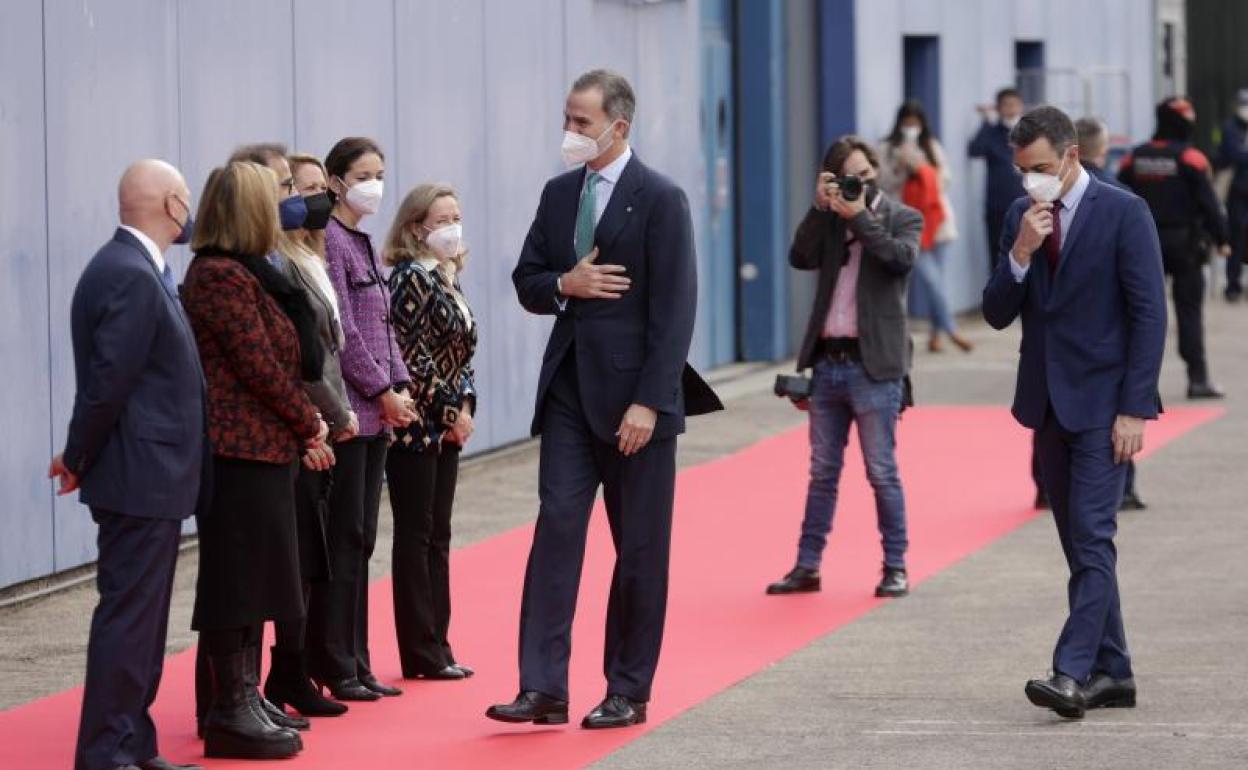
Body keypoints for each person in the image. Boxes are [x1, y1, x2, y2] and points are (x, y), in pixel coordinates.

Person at [487, 69, 722, 730]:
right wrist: (568, 282)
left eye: (582, 122)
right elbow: (528, 279)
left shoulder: (660, 198)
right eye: (568, 118)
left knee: (640, 549)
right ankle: (542, 686)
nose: (570, 132)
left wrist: (650, 401)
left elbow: (676, 310)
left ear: (618, 126)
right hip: (568, 388)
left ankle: (627, 687)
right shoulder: (560, 194)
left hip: (635, 403)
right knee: (556, 529)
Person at [983, 106, 1166, 719]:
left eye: (1038, 168)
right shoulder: (1019, 217)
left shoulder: (1124, 212)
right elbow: (995, 310)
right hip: (1047, 404)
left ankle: (1071, 672)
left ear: (1070, 157)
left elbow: (1148, 315)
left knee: (1092, 535)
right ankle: (1115, 672)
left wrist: (1136, 407)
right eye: (1020, 170)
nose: (1028, 181)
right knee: (1080, 544)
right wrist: (1021, 254)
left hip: (1104, 406)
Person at [51, 159, 205, 770]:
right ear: (171, 205)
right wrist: (79, 456)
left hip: (150, 476)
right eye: (186, 199)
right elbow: (106, 384)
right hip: (139, 476)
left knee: (142, 623)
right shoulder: (129, 274)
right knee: (129, 620)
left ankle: (132, 745)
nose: (190, 211)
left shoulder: (138, 268)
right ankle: (107, 751)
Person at [181, 161, 332, 759]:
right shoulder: (218, 275)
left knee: (258, 581)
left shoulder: (250, 273)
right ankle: (229, 709)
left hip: (264, 447)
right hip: (237, 449)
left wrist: (299, 422)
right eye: (272, 201)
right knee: (236, 583)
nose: (283, 210)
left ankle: (243, 697)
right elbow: (259, 367)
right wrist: (310, 420)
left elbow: (285, 358)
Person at [765, 136, 922, 601]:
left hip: (875, 367)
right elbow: (799, 257)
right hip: (828, 364)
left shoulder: (900, 216)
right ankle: (807, 566)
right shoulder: (829, 221)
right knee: (822, 472)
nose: (856, 184)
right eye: (844, 178)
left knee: (881, 471)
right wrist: (819, 209)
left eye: (862, 175)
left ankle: (895, 566)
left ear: (874, 171)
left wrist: (860, 216)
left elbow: (899, 260)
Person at [304, 137, 415, 702]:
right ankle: (337, 661)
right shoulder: (332, 242)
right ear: (335, 180)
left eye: (380, 172)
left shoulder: (365, 242)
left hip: (381, 415)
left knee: (365, 536)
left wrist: (398, 389)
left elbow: (386, 326)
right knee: (345, 537)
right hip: (352, 412)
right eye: (364, 174)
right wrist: (378, 388)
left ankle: (360, 658)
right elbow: (343, 332)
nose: (374, 184)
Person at [383, 184, 478, 681]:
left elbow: (462, 355)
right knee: (416, 535)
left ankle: (440, 643)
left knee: (439, 536)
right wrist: (448, 411)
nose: (451, 226)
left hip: (447, 427)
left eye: (456, 216)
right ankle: (419, 650)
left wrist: (465, 406)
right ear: (416, 226)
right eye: (441, 218)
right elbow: (409, 355)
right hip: (416, 427)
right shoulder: (409, 279)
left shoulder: (447, 277)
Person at [1119, 99, 1231, 400]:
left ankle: (1136, 386)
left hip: (1141, 244)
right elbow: (1209, 203)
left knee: (1140, 314)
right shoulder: (1191, 158)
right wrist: (1222, 239)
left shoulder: (1134, 158)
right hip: (1185, 245)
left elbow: (1116, 197)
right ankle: (1197, 380)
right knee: (1189, 313)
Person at [1074, 118, 1146, 511]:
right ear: (1101, 150)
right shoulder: (1123, 200)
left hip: (1062, 347)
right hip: (1108, 338)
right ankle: (1127, 487)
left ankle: (1045, 488)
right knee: (1111, 424)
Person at [878, 100, 971, 353]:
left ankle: (936, 334)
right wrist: (901, 168)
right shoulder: (887, 147)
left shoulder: (931, 145)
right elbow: (883, 183)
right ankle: (951, 328)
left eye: (915, 122)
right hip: (907, 221)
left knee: (937, 280)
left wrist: (923, 169)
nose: (911, 127)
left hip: (937, 220)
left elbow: (945, 180)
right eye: (907, 122)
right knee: (931, 280)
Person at [969, 87, 1027, 272]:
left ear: (1021, 106)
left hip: (1028, 203)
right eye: (1006, 105)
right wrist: (986, 122)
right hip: (997, 205)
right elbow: (975, 150)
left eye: (1014, 104)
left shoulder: (1030, 132)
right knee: (998, 253)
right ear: (998, 108)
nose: (1011, 109)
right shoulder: (992, 132)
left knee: (1028, 252)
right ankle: (999, 297)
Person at [1217, 88, 1248, 302]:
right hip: (1238, 191)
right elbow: (1231, 155)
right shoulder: (1230, 128)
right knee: (1235, 236)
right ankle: (1233, 285)